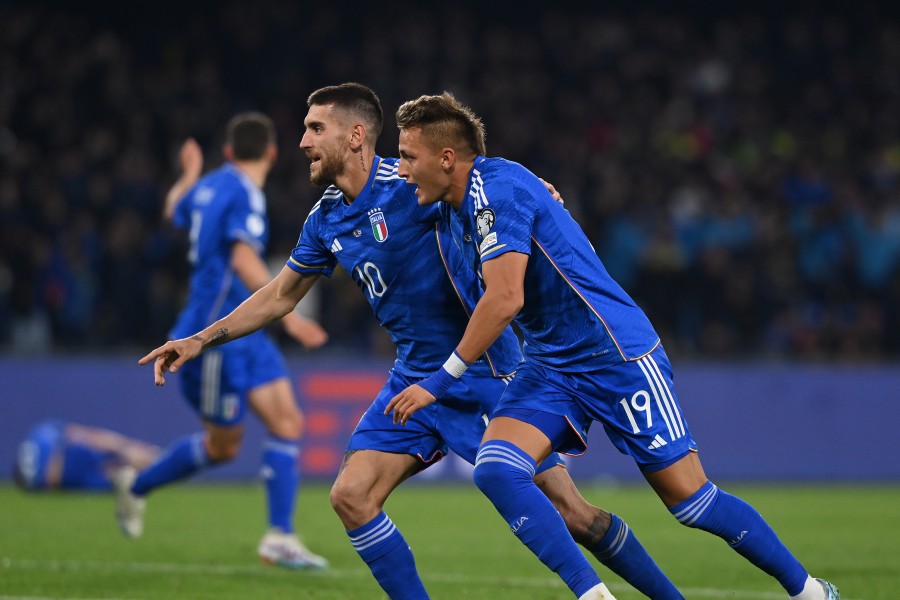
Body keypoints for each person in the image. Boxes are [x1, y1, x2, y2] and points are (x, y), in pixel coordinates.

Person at [139, 83, 683, 599]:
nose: (302, 141)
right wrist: (199, 339)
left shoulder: (410, 184)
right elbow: (280, 295)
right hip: (413, 377)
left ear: (354, 136)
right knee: (351, 496)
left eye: (314, 128)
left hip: (484, 371)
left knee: (575, 515)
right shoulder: (325, 218)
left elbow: (484, 183)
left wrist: (536, 191)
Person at [386, 92, 841, 600]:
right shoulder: (455, 199)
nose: (401, 169)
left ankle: (809, 592)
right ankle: (593, 593)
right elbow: (375, 180)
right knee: (496, 468)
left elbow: (506, 298)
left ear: (447, 158)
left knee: (690, 501)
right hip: (552, 366)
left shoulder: (497, 191)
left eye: (407, 156)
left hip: (617, 353)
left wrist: (439, 380)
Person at [119, 113, 329, 570]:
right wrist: (288, 312)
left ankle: (280, 536)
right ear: (273, 153)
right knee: (224, 447)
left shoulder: (211, 186)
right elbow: (241, 256)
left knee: (288, 422)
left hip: (243, 331)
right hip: (212, 336)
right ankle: (136, 483)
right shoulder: (243, 194)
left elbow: (173, 207)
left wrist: (190, 174)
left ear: (230, 152)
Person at [12, 420, 160, 493]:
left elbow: (75, 432)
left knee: (122, 467)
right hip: (72, 470)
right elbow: (76, 433)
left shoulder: (40, 435)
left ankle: (149, 461)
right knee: (119, 474)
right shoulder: (41, 437)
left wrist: (123, 447)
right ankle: (150, 463)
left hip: (72, 463)